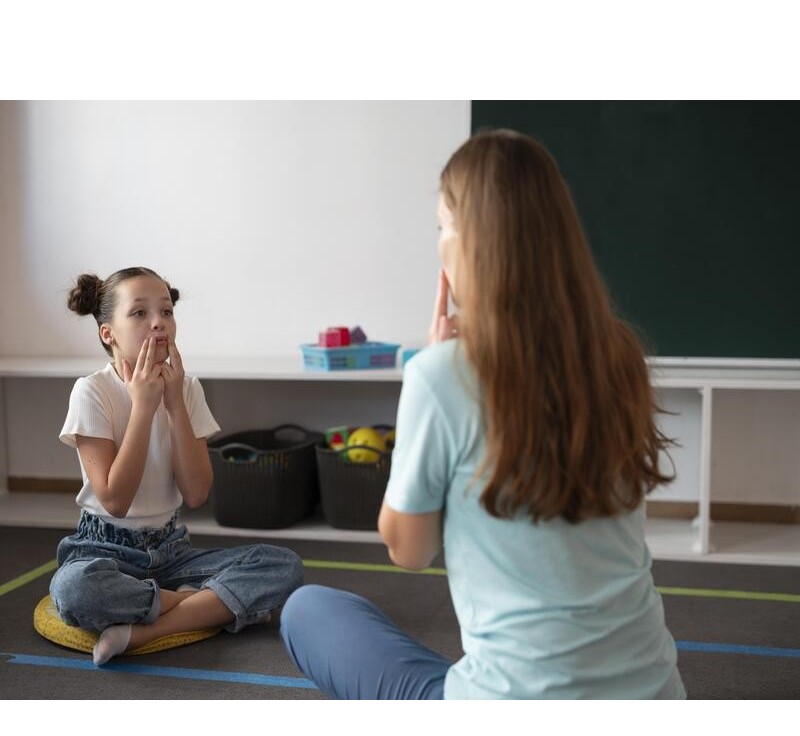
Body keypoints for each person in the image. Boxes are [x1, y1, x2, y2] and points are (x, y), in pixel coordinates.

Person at [280, 130, 687, 699]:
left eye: (443, 226)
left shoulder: (441, 374)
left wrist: (425, 377)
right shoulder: (619, 357)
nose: (439, 242)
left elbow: (410, 550)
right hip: (656, 699)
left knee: (308, 609)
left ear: (470, 243)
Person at [51, 267, 303, 665]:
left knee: (282, 565)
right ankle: (196, 606)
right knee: (75, 590)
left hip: (172, 552)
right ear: (108, 333)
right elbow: (115, 500)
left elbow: (197, 493)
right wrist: (145, 406)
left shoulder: (186, 387)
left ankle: (148, 628)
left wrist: (173, 403)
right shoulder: (91, 391)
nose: (159, 322)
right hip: (102, 549)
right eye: (139, 313)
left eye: (166, 311)